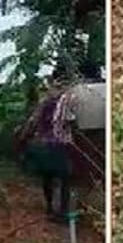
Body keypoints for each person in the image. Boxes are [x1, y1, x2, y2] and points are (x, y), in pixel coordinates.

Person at [17, 67, 78, 223]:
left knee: (48, 177)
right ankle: (63, 211)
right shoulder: (70, 98)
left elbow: (33, 122)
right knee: (65, 178)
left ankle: (50, 208)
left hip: (46, 143)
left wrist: (23, 139)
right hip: (63, 143)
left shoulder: (46, 102)